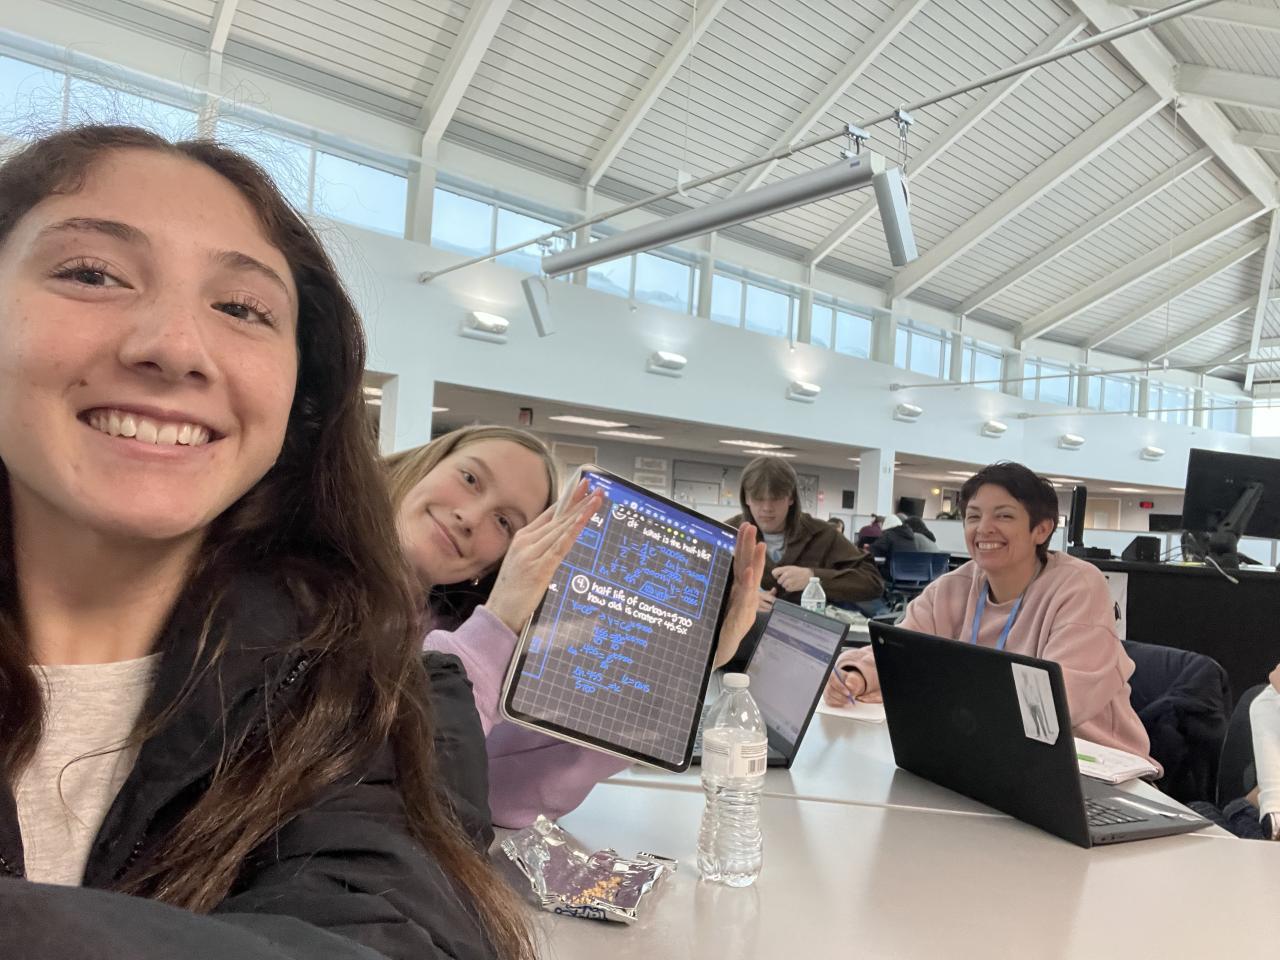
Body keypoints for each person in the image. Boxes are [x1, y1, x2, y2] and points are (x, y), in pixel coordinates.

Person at [0, 126, 533, 960]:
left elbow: (406, 909)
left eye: (242, 310)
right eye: (92, 273)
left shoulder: (363, 699)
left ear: (299, 397)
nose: (175, 347)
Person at [387, 427, 767, 827]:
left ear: (494, 565)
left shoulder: (442, 623)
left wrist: (690, 668)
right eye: (469, 478)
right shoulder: (337, 598)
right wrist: (496, 624)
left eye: (503, 522)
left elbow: (493, 791)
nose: (469, 518)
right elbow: (389, 782)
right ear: (426, 463)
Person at [826, 462, 1153, 763]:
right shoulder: (954, 587)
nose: (983, 528)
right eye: (973, 516)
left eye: (1004, 516)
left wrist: (944, 696)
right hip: (985, 749)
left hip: (1092, 763)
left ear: (1041, 530)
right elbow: (897, 651)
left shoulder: (1078, 586)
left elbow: (1056, 704)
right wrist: (857, 675)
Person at [729, 456, 881, 612]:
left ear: (791, 498)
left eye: (776, 498)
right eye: (758, 499)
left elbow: (873, 582)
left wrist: (813, 578)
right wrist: (741, 598)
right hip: (743, 625)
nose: (767, 508)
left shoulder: (823, 535)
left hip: (804, 624)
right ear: (746, 498)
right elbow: (711, 587)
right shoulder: (728, 531)